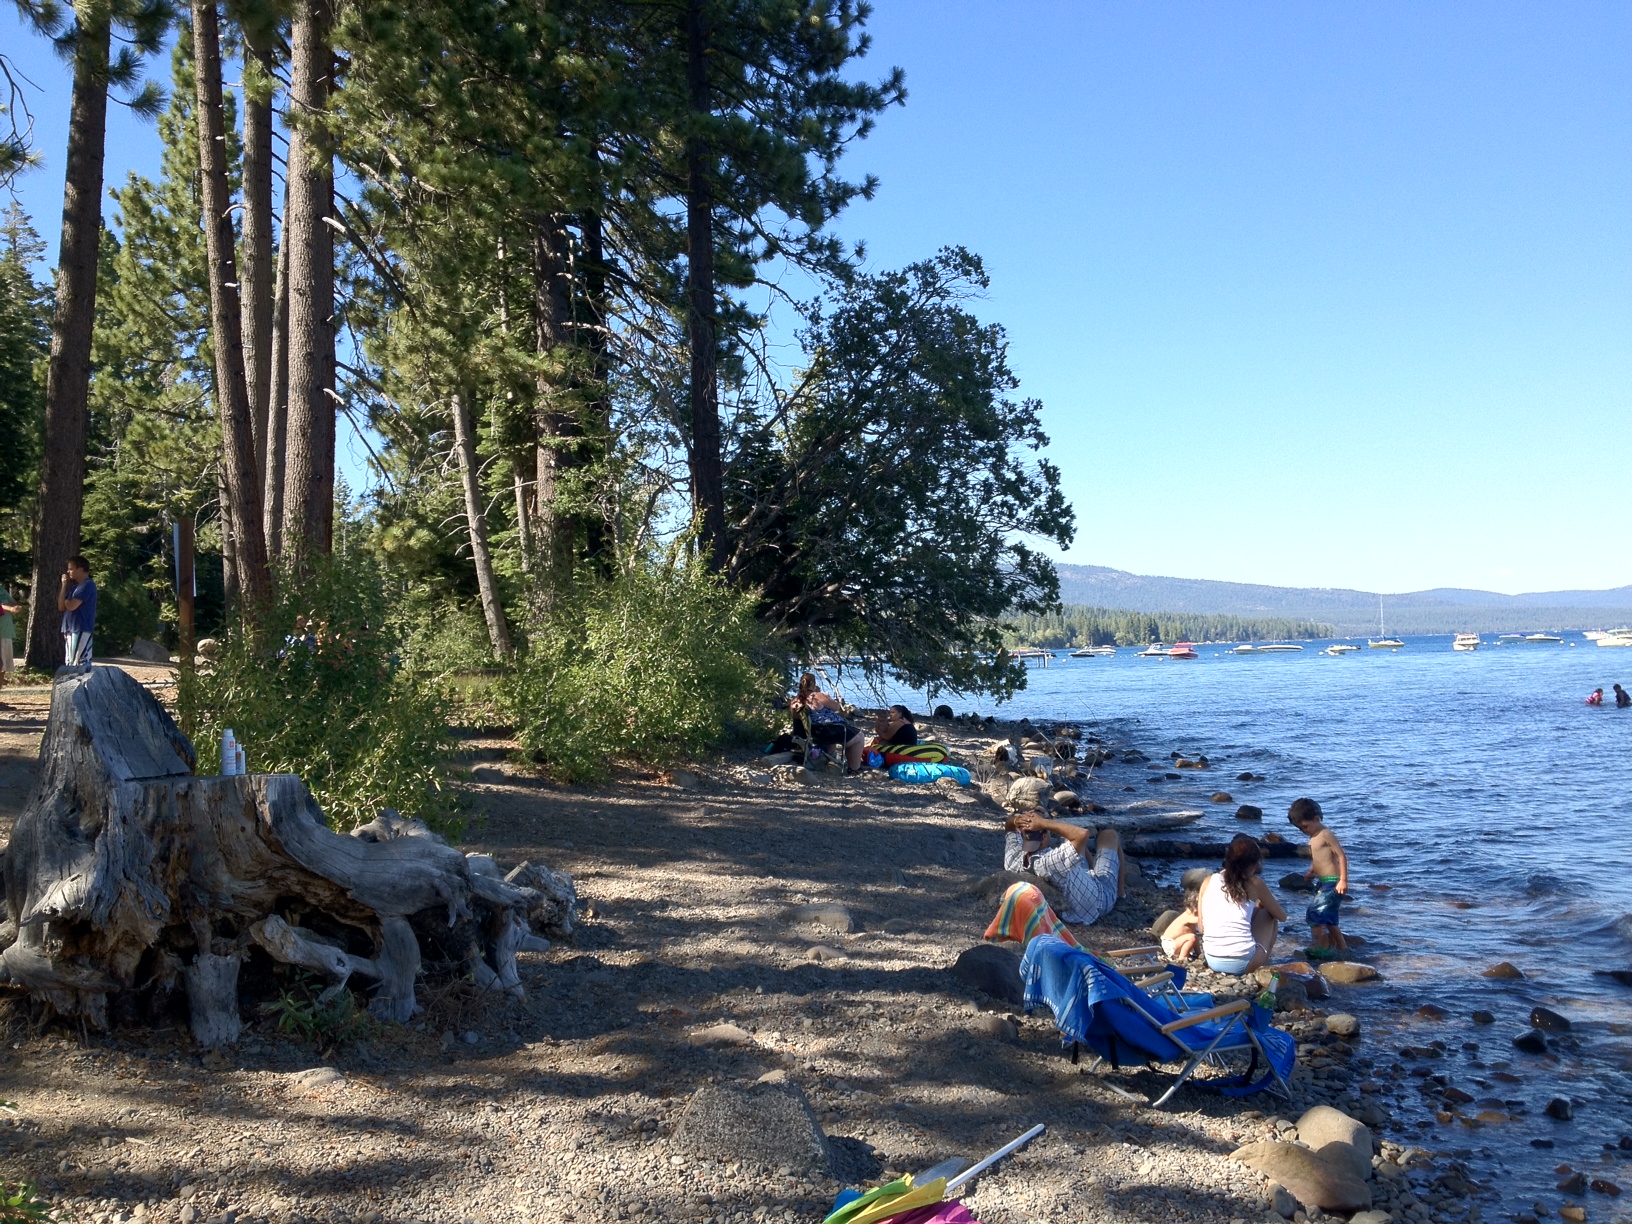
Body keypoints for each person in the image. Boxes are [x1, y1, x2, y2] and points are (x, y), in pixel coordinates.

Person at [1002, 809, 1124, 927]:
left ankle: (1093, 873)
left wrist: (1017, 820)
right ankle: (1120, 894)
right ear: (1044, 837)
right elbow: (1082, 834)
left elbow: (1009, 827)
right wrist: (1043, 823)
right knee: (1109, 835)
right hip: (1098, 900)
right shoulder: (1049, 861)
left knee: (1069, 841)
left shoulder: (1014, 859)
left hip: (1073, 882)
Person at [1197, 834, 1286, 975]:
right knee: (1269, 916)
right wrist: (1262, 906)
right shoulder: (1255, 884)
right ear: (1253, 866)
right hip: (1242, 963)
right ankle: (1263, 963)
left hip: (1212, 959)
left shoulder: (1208, 881)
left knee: (1251, 914)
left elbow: (1202, 928)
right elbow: (1282, 916)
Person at [1289, 797, 1350, 957]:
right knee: (1329, 917)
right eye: (1300, 829)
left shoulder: (1325, 834)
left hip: (1333, 882)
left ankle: (1320, 947)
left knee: (1314, 913)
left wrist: (1343, 880)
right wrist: (1312, 871)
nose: (1304, 831)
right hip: (1323, 882)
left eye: (1305, 826)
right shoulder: (1314, 837)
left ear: (1316, 818)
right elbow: (1319, 859)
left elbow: (1341, 856)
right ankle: (1342, 949)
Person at [789, 672, 865, 772]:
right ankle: (855, 768)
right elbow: (836, 707)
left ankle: (851, 765)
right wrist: (827, 697)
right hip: (828, 730)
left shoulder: (796, 701)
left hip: (814, 732)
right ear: (813, 684)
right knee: (860, 737)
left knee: (854, 735)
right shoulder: (816, 696)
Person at [58, 556, 97, 671]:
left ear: (80, 569)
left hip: (80, 628)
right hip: (69, 628)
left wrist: (66, 601)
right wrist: (64, 586)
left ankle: (81, 685)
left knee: (79, 661)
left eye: (71, 569)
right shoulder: (75, 587)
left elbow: (71, 606)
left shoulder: (87, 585)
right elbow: (61, 607)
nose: (68, 572)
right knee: (70, 661)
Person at [1159, 883, 1203, 962]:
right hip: (1169, 944)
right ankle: (1182, 958)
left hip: (1176, 942)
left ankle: (1198, 954)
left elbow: (1195, 937)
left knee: (1194, 937)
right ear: (1193, 908)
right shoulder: (1188, 915)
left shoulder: (1191, 916)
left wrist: (1199, 953)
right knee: (1191, 937)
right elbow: (1201, 920)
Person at [0, 586, 21, 684]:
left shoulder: (2, 590)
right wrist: (11, 609)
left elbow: (13, 603)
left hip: (6, 632)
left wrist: (14, 606)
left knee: (3, 666)